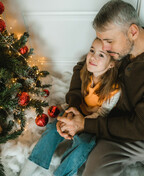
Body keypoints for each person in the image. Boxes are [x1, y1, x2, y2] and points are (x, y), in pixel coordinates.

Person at [57, 0, 144, 176]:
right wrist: (74, 108)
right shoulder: (118, 48)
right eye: (100, 40)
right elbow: (80, 68)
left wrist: (85, 124)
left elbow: (140, 127)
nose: (104, 48)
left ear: (133, 32)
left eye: (108, 41)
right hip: (116, 131)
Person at [20, 38, 121, 176]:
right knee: (52, 130)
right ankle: (30, 167)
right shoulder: (83, 73)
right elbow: (75, 97)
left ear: (111, 64)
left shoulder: (114, 89)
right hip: (76, 112)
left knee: (84, 145)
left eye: (101, 55)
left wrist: (78, 124)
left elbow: (103, 112)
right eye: (92, 50)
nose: (93, 56)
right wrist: (68, 117)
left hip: (93, 122)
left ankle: (62, 173)